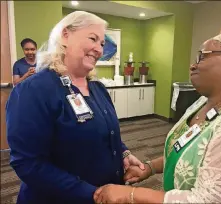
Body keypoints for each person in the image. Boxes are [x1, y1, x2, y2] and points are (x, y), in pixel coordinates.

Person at [93, 26, 221, 204]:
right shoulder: (203, 102)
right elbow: (187, 150)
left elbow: (209, 201)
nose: (193, 64)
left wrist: (130, 195)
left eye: (202, 55)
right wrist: (150, 168)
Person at [6, 11, 144, 204]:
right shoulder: (33, 90)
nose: (99, 49)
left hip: (107, 193)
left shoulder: (98, 89)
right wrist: (93, 194)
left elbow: (106, 133)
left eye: (102, 44)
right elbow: (28, 163)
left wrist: (124, 153)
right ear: (65, 35)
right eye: (93, 39)